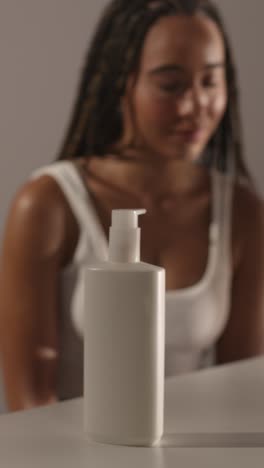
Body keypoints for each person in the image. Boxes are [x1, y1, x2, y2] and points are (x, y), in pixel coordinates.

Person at [0, 0, 264, 412]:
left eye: (211, 81)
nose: (196, 106)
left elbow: (239, 386)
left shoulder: (242, 211)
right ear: (122, 82)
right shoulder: (48, 204)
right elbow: (29, 399)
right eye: (171, 85)